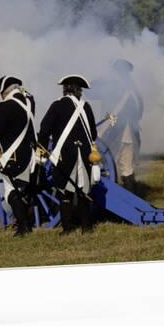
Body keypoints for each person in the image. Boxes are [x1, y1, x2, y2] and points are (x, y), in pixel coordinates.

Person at [37, 74, 98, 235]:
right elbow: (93, 134)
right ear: (79, 91)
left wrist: (42, 148)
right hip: (84, 154)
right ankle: (87, 227)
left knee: (64, 191)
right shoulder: (87, 107)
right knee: (84, 190)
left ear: (65, 89)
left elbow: (44, 129)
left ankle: (68, 228)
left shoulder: (57, 105)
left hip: (65, 154)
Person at [0, 75, 37, 237]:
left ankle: (23, 227)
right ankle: (25, 219)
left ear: (4, 92)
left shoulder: (5, 106)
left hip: (14, 156)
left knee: (10, 191)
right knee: (24, 189)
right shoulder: (29, 102)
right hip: (31, 155)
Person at [87, 59, 143, 191]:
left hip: (113, 131)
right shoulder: (133, 89)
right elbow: (140, 110)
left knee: (104, 163)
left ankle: (109, 195)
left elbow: (88, 91)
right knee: (127, 168)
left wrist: (100, 80)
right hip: (131, 133)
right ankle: (131, 196)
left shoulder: (111, 85)